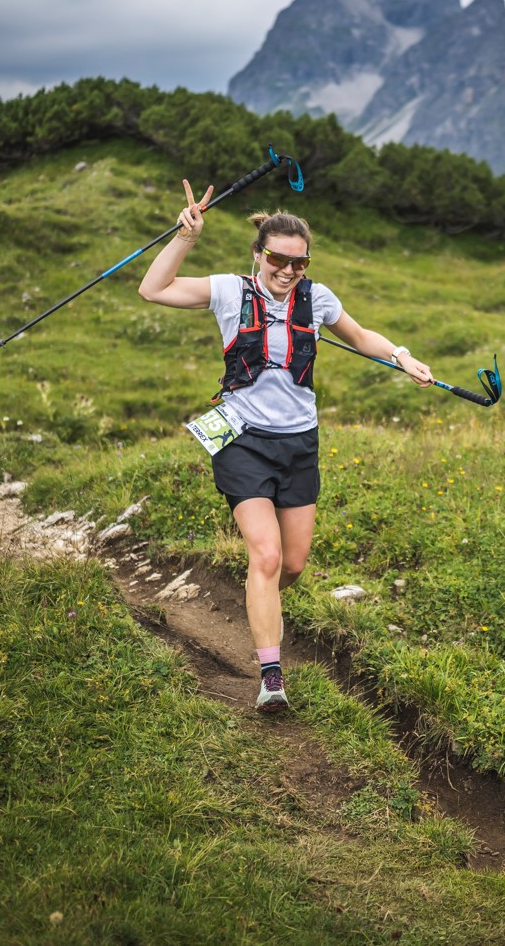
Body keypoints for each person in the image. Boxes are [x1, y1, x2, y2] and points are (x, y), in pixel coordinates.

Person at [138, 180, 433, 711]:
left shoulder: (317, 298)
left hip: (300, 443)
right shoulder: (229, 290)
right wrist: (185, 237)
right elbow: (154, 290)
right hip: (242, 439)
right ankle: (271, 677)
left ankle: (260, 598)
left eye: (299, 261)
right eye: (279, 258)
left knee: (292, 564)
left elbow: (363, 337)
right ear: (260, 254)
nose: (288, 269)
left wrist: (403, 357)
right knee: (268, 556)